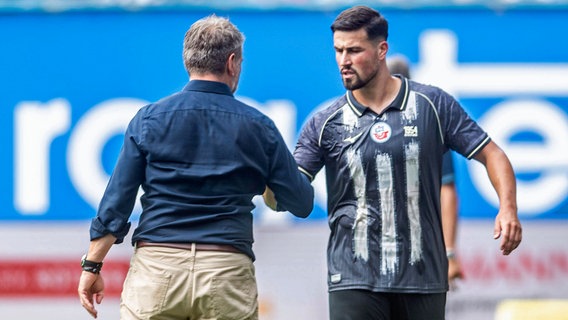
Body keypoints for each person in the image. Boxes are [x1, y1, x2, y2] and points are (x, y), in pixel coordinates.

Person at [77, 14, 314, 320]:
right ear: (232, 62)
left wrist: (92, 266)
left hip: (158, 268)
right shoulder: (259, 126)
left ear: (188, 62)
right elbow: (301, 202)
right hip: (225, 269)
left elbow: (117, 202)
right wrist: (269, 187)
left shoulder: (149, 119)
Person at [292, 5, 521, 319]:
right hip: (353, 277)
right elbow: (291, 186)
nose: (344, 61)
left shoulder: (432, 105)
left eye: (354, 50)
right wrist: (267, 185)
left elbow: (492, 154)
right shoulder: (325, 122)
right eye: (338, 50)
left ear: (382, 49)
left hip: (422, 277)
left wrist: (507, 208)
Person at [387, 55, 464, 287]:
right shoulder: (359, 124)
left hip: (418, 249)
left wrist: (449, 253)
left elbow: (446, 190)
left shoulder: (427, 125)